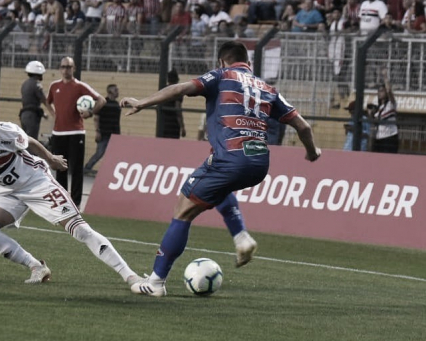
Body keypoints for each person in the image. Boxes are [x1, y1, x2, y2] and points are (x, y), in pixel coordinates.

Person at [120, 41, 321, 297]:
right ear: (248, 62)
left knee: (184, 207)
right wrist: (312, 152)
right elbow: (303, 127)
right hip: (259, 162)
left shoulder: (221, 75)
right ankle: (241, 237)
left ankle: (156, 282)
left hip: (230, 158)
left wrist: (143, 102)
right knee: (219, 186)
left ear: (222, 61)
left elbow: (180, 88)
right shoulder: (268, 87)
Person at [0, 101, 141, 288]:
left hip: (37, 183)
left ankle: (130, 276)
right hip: (8, 192)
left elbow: (31, 142)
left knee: (80, 229)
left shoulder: (6, 132)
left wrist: (51, 158)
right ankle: (37, 267)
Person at [47, 56, 106, 209]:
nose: (66, 69)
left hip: (76, 133)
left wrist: (91, 112)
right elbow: (48, 101)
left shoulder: (80, 86)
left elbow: (101, 100)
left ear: (74, 69)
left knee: (76, 169)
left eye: (69, 67)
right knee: (60, 168)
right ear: (60, 69)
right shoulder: (54, 86)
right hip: (58, 133)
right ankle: (61, 201)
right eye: (63, 66)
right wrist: (55, 115)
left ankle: (75, 203)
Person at [84, 84, 120, 176]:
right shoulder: (103, 103)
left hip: (115, 134)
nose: (117, 92)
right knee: (99, 153)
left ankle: (110, 172)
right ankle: (87, 169)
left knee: (114, 154)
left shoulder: (116, 105)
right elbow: (96, 117)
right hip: (104, 133)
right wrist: (97, 131)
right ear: (110, 92)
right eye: (115, 90)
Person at [19, 60, 55, 141]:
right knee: (32, 141)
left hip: (23, 115)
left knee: (25, 140)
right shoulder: (36, 84)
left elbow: (30, 102)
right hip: (32, 117)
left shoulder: (25, 84)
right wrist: (54, 113)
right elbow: (45, 101)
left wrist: (43, 114)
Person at [371, 70, 398, 153]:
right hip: (379, 137)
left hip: (389, 137)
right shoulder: (378, 108)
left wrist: (385, 76)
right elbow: (375, 122)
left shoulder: (391, 104)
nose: (380, 93)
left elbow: (389, 91)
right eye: (379, 91)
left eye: (382, 91)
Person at [157, 69, 186, 139]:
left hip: (163, 124)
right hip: (173, 126)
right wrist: (182, 127)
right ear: (177, 80)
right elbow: (178, 109)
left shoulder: (163, 90)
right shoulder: (177, 92)